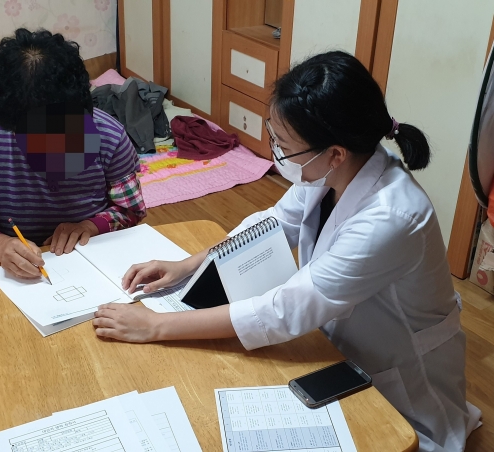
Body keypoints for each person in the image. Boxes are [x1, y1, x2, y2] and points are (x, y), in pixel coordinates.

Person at [92, 51, 480, 451]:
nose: (277, 152)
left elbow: (284, 309)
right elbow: (274, 224)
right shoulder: (334, 171)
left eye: (284, 145)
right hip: (342, 339)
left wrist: (156, 326)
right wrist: (188, 265)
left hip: (401, 368)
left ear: (335, 153)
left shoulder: (391, 216)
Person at [0, 28, 146, 338]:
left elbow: (130, 209)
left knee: (147, 290)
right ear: (9, 124)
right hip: (16, 264)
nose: (54, 150)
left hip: (91, 255)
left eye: (65, 134)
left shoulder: (109, 135)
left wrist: (92, 226)